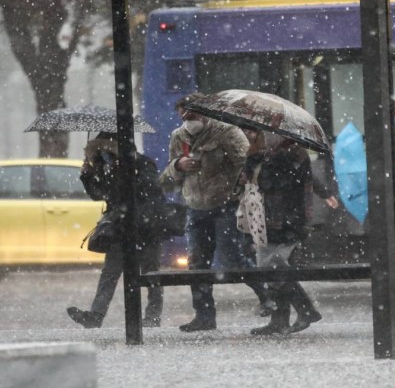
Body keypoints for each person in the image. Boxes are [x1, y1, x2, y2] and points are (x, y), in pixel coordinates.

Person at [160, 93, 273, 332]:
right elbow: (169, 174)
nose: (187, 119)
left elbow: (247, 161)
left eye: (192, 113)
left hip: (225, 204)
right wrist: (178, 165)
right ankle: (204, 315)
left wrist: (237, 181)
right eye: (183, 115)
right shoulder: (178, 136)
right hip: (195, 207)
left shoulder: (226, 132)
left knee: (231, 258)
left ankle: (267, 295)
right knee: (197, 264)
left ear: (205, 112)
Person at [67, 132, 164, 328]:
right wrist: (87, 176)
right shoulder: (107, 166)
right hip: (119, 227)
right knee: (110, 273)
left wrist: (128, 172)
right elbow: (100, 195)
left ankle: (153, 316)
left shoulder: (142, 163)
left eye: (106, 148)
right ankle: (96, 316)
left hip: (145, 226)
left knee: (150, 272)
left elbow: (151, 190)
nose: (104, 153)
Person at [237, 130, 322, 335]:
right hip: (265, 219)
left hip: (284, 220)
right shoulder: (266, 154)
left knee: (272, 266)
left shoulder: (292, 154)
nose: (251, 135)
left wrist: (254, 165)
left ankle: (305, 309)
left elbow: (276, 183)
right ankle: (280, 319)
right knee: (270, 267)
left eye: (258, 132)